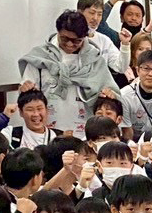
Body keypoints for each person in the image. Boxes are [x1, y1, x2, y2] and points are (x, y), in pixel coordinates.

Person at [16, 10, 118, 138]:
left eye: (76, 41)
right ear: (57, 32)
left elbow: (111, 95)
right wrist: (25, 88)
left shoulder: (94, 60)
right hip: (47, 132)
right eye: (65, 38)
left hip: (85, 130)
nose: (70, 44)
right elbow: (27, 95)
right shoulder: (40, 58)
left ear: (85, 37)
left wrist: (109, 95)